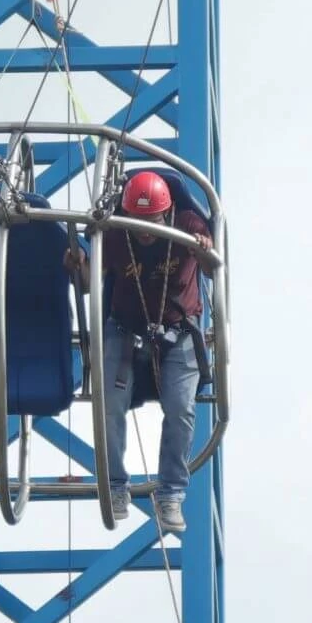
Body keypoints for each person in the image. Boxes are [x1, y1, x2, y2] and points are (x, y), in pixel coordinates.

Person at [64, 170, 216, 533]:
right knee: (108, 404)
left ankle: (171, 493)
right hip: (126, 329)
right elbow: (88, 284)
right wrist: (79, 267)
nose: (146, 230)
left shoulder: (188, 222)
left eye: (153, 221)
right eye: (138, 221)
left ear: (167, 214)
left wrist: (201, 247)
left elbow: (213, 268)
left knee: (181, 409)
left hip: (179, 332)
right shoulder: (116, 233)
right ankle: (116, 485)